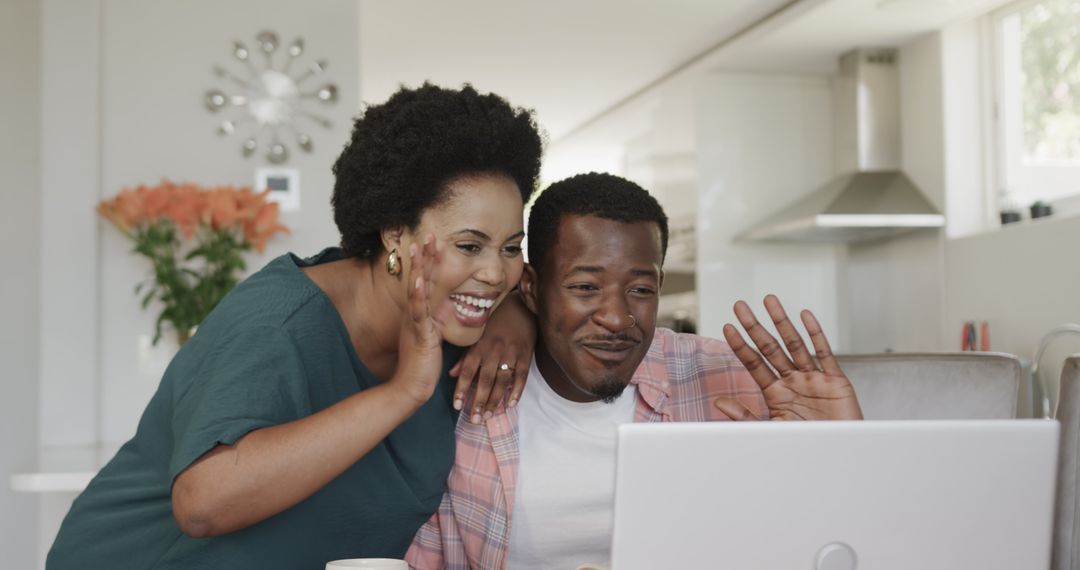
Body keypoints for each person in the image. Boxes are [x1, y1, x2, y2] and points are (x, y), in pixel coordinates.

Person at [46, 83, 543, 570]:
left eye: (510, 248)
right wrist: (403, 392)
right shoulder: (279, 320)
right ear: (396, 233)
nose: (495, 273)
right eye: (468, 245)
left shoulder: (456, 324)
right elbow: (203, 504)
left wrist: (518, 311)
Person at [405, 172, 863, 570]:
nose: (617, 318)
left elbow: (822, 546)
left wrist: (841, 463)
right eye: (585, 287)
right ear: (531, 288)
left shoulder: (734, 379)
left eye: (641, 290)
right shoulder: (462, 391)